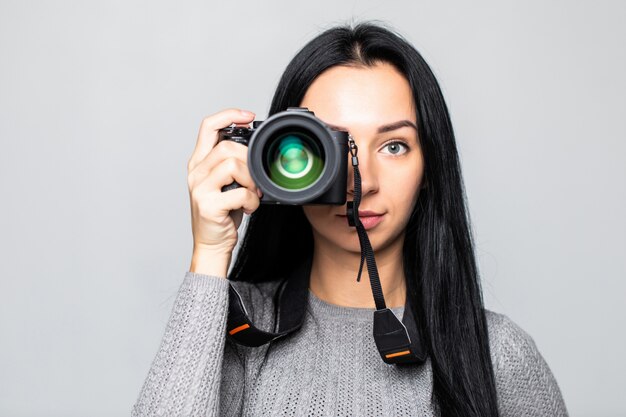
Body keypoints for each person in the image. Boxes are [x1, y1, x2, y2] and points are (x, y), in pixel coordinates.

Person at [132, 22, 569, 417]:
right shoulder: (235, 338)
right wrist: (209, 255)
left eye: (394, 146)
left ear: (430, 168)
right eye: (334, 149)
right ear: (276, 160)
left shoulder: (497, 355)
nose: (364, 183)